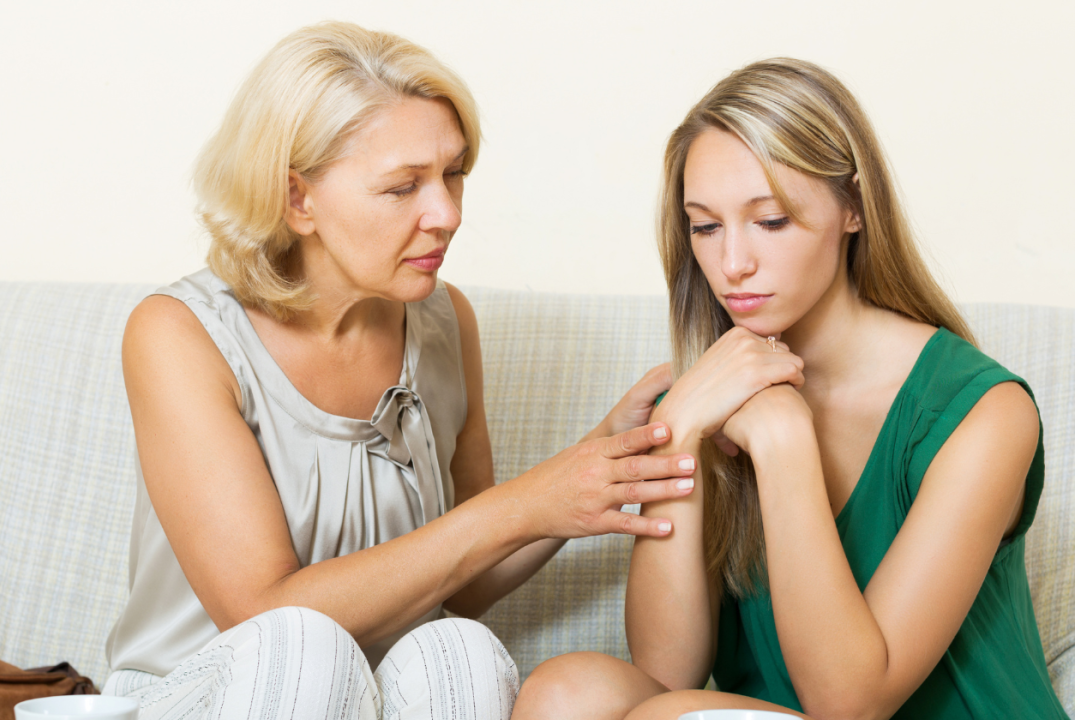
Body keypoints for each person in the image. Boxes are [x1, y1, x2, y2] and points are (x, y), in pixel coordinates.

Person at [100, 22, 698, 720]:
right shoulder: (179, 334)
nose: (446, 214)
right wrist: (521, 502)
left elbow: (464, 584)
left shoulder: (444, 322)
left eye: (453, 174)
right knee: (304, 647)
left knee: (458, 646)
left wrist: (596, 462)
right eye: (402, 187)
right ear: (297, 200)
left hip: (373, 704)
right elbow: (263, 615)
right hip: (206, 696)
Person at [513, 58, 1068, 719]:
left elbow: (851, 704)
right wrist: (680, 430)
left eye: (771, 221)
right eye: (706, 226)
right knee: (567, 691)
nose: (732, 263)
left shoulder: (982, 413)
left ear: (853, 207)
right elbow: (666, 670)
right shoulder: (706, 395)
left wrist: (783, 441)